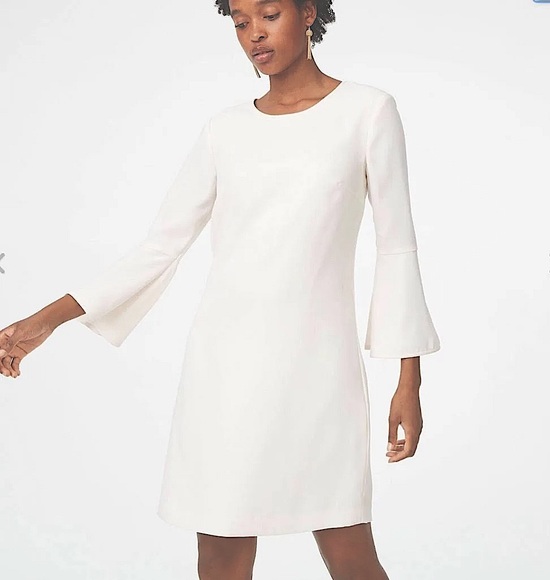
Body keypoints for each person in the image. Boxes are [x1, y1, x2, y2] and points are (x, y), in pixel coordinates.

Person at [0, 0, 441, 578]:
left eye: (269, 15)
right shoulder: (225, 131)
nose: (254, 34)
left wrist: (408, 378)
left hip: (319, 371)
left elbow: (397, 248)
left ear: (308, 12)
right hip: (225, 373)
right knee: (221, 552)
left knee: (349, 549)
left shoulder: (368, 111)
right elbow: (160, 246)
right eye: (239, 21)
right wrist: (44, 321)